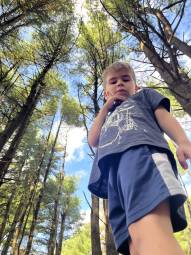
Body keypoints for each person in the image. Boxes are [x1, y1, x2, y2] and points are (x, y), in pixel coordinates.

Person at [88, 61, 191, 255]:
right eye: (113, 81)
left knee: (150, 228)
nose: (120, 83)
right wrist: (106, 107)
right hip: (113, 175)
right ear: (106, 93)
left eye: (126, 79)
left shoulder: (143, 97)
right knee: (133, 242)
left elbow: (164, 117)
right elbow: (93, 139)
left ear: (135, 86)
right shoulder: (108, 115)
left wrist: (182, 141)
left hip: (142, 155)